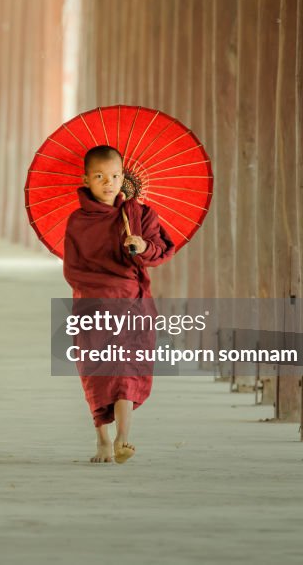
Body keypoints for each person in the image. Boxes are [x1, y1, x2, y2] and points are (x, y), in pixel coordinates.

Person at [63, 145, 175, 464]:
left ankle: (124, 438)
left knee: (125, 367)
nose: (108, 183)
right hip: (92, 304)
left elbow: (163, 249)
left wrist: (141, 246)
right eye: (99, 177)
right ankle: (102, 439)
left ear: (123, 177)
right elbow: (72, 269)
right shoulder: (78, 221)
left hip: (130, 301)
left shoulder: (139, 215)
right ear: (86, 179)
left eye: (114, 176)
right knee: (96, 372)